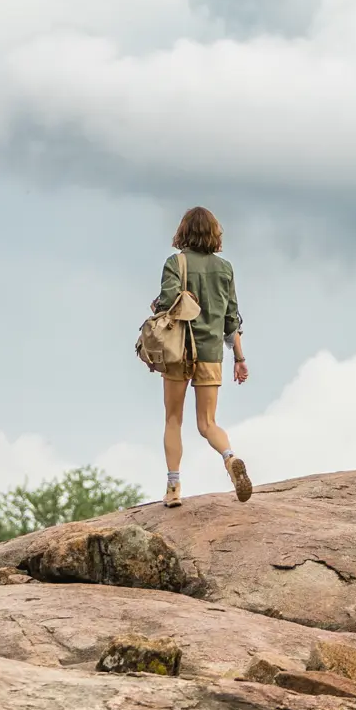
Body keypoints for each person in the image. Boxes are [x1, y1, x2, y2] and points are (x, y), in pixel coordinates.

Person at [154, 206, 252, 507]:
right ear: (214, 234)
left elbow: (168, 302)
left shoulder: (176, 263)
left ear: (183, 232)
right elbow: (231, 318)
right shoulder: (225, 269)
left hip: (178, 351)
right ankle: (229, 457)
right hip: (211, 353)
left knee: (173, 418)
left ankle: (173, 487)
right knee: (207, 423)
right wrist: (239, 358)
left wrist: (160, 304)